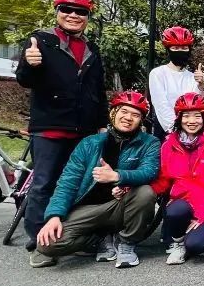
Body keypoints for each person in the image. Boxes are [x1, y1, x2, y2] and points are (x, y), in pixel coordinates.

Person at [16, 0, 108, 264]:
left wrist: (102, 124)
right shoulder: (41, 41)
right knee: (44, 184)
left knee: (79, 184)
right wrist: (30, 64)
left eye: (81, 11)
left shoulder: (92, 49)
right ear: (57, 12)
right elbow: (24, 79)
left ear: (87, 17)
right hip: (51, 128)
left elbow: (97, 89)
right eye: (67, 9)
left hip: (84, 130)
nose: (73, 15)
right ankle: (39, 243)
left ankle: (70, 237)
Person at [33, 91, 161, 269]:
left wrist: (117, 176)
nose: (128, 118)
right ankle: (100, 238)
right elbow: (68, 182)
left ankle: (126, 242)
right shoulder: (89, 143)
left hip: (119, 206)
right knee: (47, 245)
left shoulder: (150, 143)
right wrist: (54, 216)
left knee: (145, 193)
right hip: (87, 209)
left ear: (141, 120)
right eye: (124, 111)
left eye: (135, 115)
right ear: (113, 113)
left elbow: (149, 172)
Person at [154, 93, 204, 264]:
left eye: (197, 116)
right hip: (183, 204)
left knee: (197, 245)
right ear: (179, 118)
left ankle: (202, 236)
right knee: (175, 210)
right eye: (186, 116)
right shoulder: (168, 146)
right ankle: (178, 242)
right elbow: (163, 179)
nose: (191, 121)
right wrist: (137, 189)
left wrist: (203, 215)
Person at [148, 25, 197, 140]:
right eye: (175, 48)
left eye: (184, 48)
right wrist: (174, 130)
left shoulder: (192, 76)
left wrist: (201, 85)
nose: (180, 51)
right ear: (168, 50)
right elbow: (161, 104)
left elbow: (196, 103)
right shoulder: (158, 73)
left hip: (191, 130)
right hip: (166, 130)